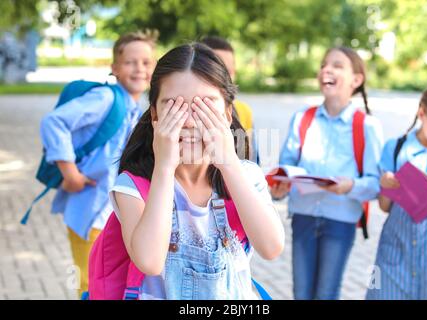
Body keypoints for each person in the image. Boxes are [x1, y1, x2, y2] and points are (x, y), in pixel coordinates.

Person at [108, 42, 284, 299]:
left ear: (226, 114)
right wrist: (165, 168)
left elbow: (271, 248)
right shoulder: (133, 187)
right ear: (155, 115)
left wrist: (228, 163)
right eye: (174, 107)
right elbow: (149, 261)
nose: (189, 122)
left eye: (204, 106)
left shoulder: (246, 176)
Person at [39, 31, 157, 297]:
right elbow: (53, 122)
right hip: (90, 211)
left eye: (146, 62)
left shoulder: (138, 109)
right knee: (90, 283)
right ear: (114, 68)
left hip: (113, 215)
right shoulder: (106, 99)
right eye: (130, 62)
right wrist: (69, 172)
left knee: (108, 283)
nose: (139, 68)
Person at [270, 47, 383, 300]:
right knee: (301, 293)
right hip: (303, 217)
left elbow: (376, 185)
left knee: (327, 293)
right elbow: (286, 167)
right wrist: (279, 188)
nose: (326, 70)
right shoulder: (302, 118)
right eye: (323, 65)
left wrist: (349, 186)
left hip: (340, 222)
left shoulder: (367, 126)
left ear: (356, 80)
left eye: (337, 65)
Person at [367, 82, 427, 300]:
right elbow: (385, 207)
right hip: (394, 253)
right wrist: (385, 186)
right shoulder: (395, 149)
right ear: (422, 114)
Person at [200, 36, 259, 163]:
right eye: (217, 71)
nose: (225, 78)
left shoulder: (244, 111)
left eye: (229, 72)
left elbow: (250, 160)